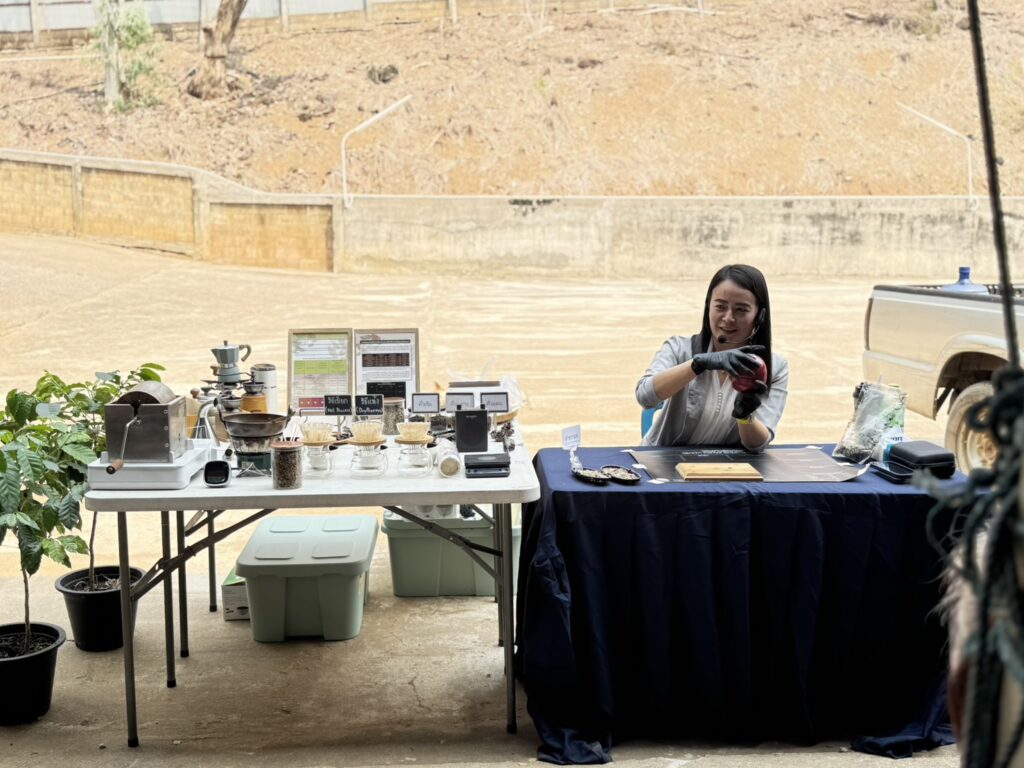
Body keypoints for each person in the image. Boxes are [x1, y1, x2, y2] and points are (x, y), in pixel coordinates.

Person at [635, 264, 788, 450]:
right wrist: (697, 364)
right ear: (708, 307)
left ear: (760, 316)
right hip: (662, 462)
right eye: (720, 307)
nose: (728, 317)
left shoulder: (775, 368)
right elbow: (645, 397)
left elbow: (758, 444)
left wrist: (745, 417)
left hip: (726, 466)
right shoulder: (679, 348)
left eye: (741, 310)